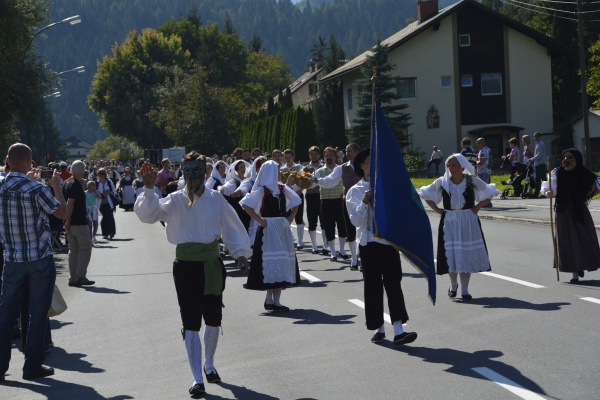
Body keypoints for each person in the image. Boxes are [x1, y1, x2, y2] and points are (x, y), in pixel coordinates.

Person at [135, 151, 251, 397]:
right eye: (187, 171)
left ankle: (209, 364)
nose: (192, 176)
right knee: (190, 321)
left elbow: (231, 225)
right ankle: (197, 378)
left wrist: (240, 253)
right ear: (182, 172)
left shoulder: (216, 199)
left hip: (211, 264)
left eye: (197, 170)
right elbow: (148, 215)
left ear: (206, 171)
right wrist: (148, 188)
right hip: (186, 266)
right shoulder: (175, 199)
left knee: (213, 318)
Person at [0, 143, 67, 381]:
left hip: (12, 258)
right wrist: (57, 188)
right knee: (37, 313)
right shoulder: (36, 188)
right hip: (39, 257)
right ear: (30, 161)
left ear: (7, 159)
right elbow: (61, 213)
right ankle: (31, 366)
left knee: (6, 314)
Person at [346, 148, 417, 346]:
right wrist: (364, 201)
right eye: (370, 162)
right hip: (369, 244)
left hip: (388, 242)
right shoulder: (355, 191)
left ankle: (399, 329)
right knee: (373, 286)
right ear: (362, 165)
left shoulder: (388, 186)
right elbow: (356, 221)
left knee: (394, 283)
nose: (374, 165)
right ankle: (379, 328)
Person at [419, 154, 498, 300]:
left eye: (453, 165)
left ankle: (465, 290)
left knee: (465, 253)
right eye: (449, 165)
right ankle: (453, 285)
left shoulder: (471, 180)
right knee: (452, 254)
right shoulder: (443, 182)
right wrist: (437, 210)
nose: (450, 168)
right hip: (449, 220)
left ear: (462, 167)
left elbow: (490, 192)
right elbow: (425, 193)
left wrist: (477, 207)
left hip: (468, 220)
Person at [240, 160, 301, 311]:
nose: (279, 173)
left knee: (281, 261)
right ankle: (269, 299)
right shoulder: (262, 190)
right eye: (277, 170)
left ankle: (276, 301)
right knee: (270, 263)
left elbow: (297, 200)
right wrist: (260, 221)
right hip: (268, 229)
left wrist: (289, 218)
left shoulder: (281, 188)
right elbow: (245, 204)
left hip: (281, 228)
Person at [543, 149, 600, 283]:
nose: (566, 161)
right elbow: (547, 188)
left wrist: (587, 197)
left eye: (571, 158)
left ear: (577, 160)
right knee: (567, 241)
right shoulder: (557, 173)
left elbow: (597, 186)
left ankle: (582, 264)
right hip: (563, 211)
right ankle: (575, 273)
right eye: (564, 158)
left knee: (585, 239)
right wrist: (548, 193)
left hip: (580, 211)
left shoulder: (584, 173)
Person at [314, 143, 362, 269]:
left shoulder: (365, 165)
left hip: (364, 201)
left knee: (363, 230)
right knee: (350, 231)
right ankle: (354, 259)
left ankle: (362, 256)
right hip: (349, 202)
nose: (347, 153)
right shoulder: (342, 168)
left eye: (350, 151)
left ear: (357, 152)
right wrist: (318, 181)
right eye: (346, 151)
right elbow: (330, 180)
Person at [63, 160, 95, 287]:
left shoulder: (66, 183)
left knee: (74, 250)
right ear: (81, 171)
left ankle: (73, 277)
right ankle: (80, 276)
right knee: (85, 247)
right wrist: (68, 221)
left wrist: (66, 221)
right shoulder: (76, 184)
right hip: (78, 222)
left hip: (71, 222)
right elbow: (70, 204)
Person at [315, 147, 347, 261]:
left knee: (342, 226)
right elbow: (313, 183)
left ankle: (342, 250)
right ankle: (333, 252)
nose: (328, 157)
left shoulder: (341, 169)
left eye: (331, 155)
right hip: (326, 201)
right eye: (326, 155)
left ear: (335, 157)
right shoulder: (319, 171)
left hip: (339, 201)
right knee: (329, 227)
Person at [304, 146, 328, 254]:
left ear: (319, 155)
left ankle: (325, 246)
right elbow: (302, 183)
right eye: (311, 154)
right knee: (312, 221)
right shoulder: (305, 168)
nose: (314, 156)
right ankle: (314, 246)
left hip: (323, 195)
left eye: (316, 154)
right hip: (311, 197)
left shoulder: (324, 167)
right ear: (309, 156)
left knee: (324, 221)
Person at [281, 149, 305, 249]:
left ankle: (300, 241)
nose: (288, 159)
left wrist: (300, 191)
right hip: (287, 195)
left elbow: (305, 180)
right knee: (287, 217)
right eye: (286, 158)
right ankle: (289, 239)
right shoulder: (282, 169)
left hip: (297, 193)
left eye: (289, 157)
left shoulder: (299, 167)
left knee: (299, 217)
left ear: (293, 157)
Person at [95, 168, 117, 240]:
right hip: (100, 203)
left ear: (105, 175)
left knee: (110, 217)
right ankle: (105, 233)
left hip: (109, 202)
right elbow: (94, 192)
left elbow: (114, 190)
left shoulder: (109, 181)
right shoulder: (96, 183)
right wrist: (101, 193)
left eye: (102, 174)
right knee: (103, 219)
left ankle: (111, 232)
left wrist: (110, 192)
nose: (101, 176)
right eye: (100, 174)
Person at [475, 137, 493, 207]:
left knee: (483, 188)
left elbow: (481, 163)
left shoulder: (483, 151)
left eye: (478, 142)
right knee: (485, 188)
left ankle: (487, 203)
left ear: (482, 143)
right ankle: (486, 202)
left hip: (483, 171)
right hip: (487, 170)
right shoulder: (487, 149)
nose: (477, 144)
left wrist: (475, 161)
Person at [529, 132, 547, 198]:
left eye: (537, 136)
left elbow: (539, 155)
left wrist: (532, 159)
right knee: (537, 179)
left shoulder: (540, 144)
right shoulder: (537, 144)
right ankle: (536, 193)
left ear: (540, 136)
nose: (535, 137)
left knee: (543, 179)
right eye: (534, 136)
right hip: (538, 164)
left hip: (541, 163)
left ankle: (545, 192)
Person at [85, 180, 102, 245]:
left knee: (95, 224)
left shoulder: (95, 193)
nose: (89, 188)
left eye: (91, 187)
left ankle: (93, 236)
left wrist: (95, 190)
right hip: (88, 210)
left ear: (94, 187)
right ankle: (90, 239)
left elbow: (100, 197)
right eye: (88, 187)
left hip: (94, 209)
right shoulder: (85, 193)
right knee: (89, 225)